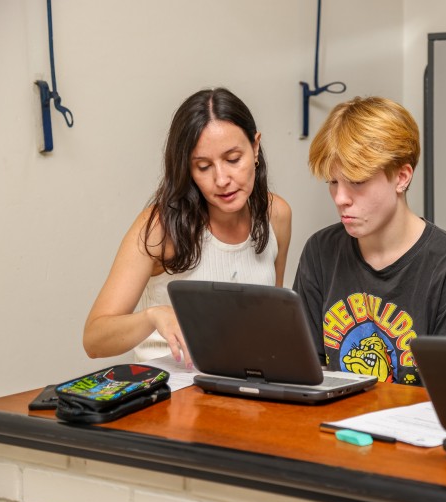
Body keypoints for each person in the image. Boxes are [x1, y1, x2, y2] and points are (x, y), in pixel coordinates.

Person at [84, 88, 291, 365]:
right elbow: (95, 340)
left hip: (243, 390)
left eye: (232, 159)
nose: (221, 179)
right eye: (204, 166)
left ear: (255, 148)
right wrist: (153, 316)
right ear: (188, 170)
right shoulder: (160, 227)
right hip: (170, 392)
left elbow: (270, 318)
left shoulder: (276, 214)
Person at [293, 96, 446, 386]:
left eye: (357, 182)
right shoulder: (320, 252)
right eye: (333, 183)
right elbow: (306, 375)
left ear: (401, 177)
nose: (341, 199)